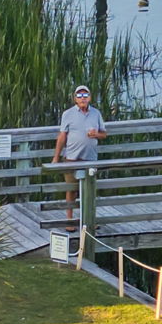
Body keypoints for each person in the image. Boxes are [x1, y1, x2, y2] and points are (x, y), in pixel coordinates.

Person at [52, 85, 107, 223]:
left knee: (89, 191)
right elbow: (62, 136)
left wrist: (96, 134)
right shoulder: (68, 114)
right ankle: (69, 219)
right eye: (79, 96)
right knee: (71, 190)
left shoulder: (96, 113)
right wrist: (56, 157)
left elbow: (104, 134)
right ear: (75, 99)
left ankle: (88, 221)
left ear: (90, 98)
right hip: (72, 158)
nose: (82, 99)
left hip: (90, 159)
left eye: (85, 95)